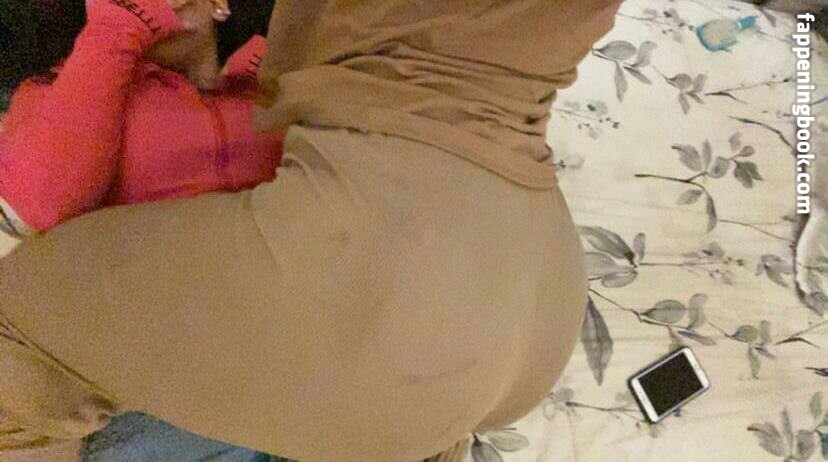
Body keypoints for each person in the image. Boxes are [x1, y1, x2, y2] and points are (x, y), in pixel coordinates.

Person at [0, 1, 623, 461]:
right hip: (531, 297)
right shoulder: (80, 82)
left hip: (403, 306)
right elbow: (39, 200)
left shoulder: (274, 86)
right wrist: (115, 30)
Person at [0, 0, 282, 237]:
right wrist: (117, 27)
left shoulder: (256, 85)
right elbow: (38, 206)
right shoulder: (53, 91)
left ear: (217, 5)